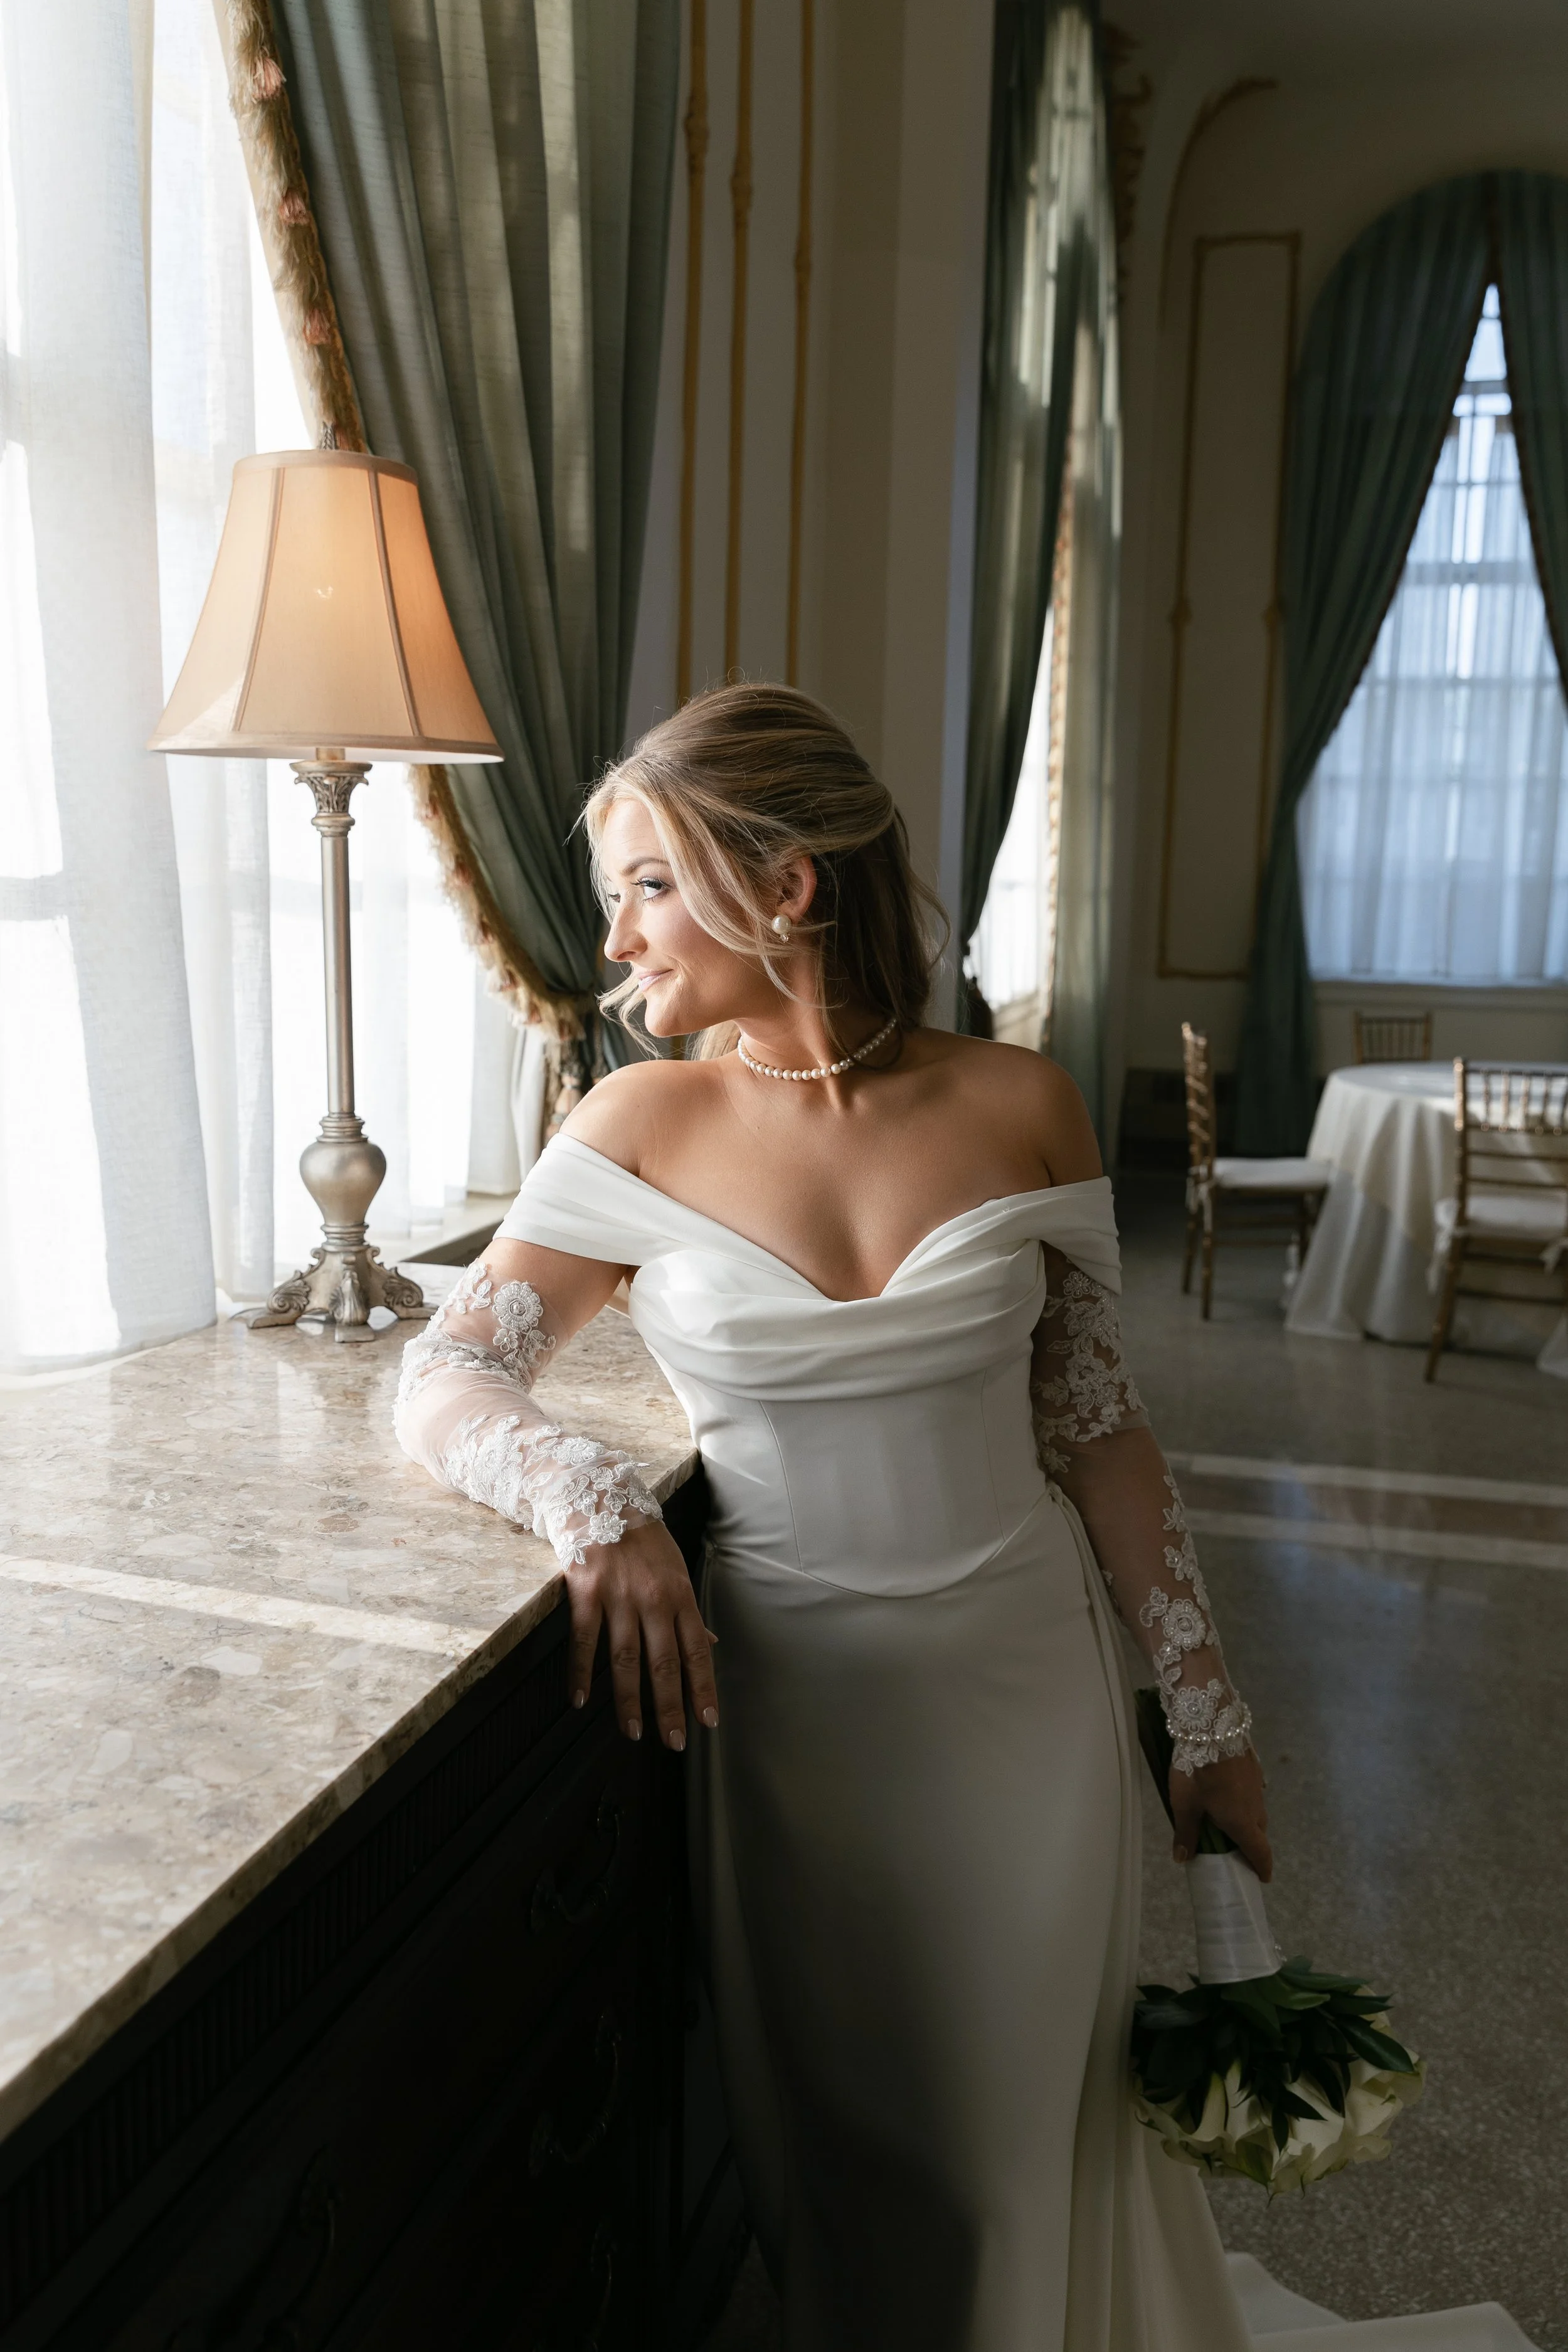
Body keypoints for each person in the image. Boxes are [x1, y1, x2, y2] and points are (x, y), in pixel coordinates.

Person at [394, 682, 1269, 2352]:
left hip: (1026, 1702)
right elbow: (443, 1375)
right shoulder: (634, 1126)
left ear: (783, 883)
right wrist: (593, 1504)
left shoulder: (1021, 1099)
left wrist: (1204, 1708)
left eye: (648, 883)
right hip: (798, 1717)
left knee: (1022, 2134)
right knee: (853, 2151)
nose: (618, 941)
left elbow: (1096, 1429)